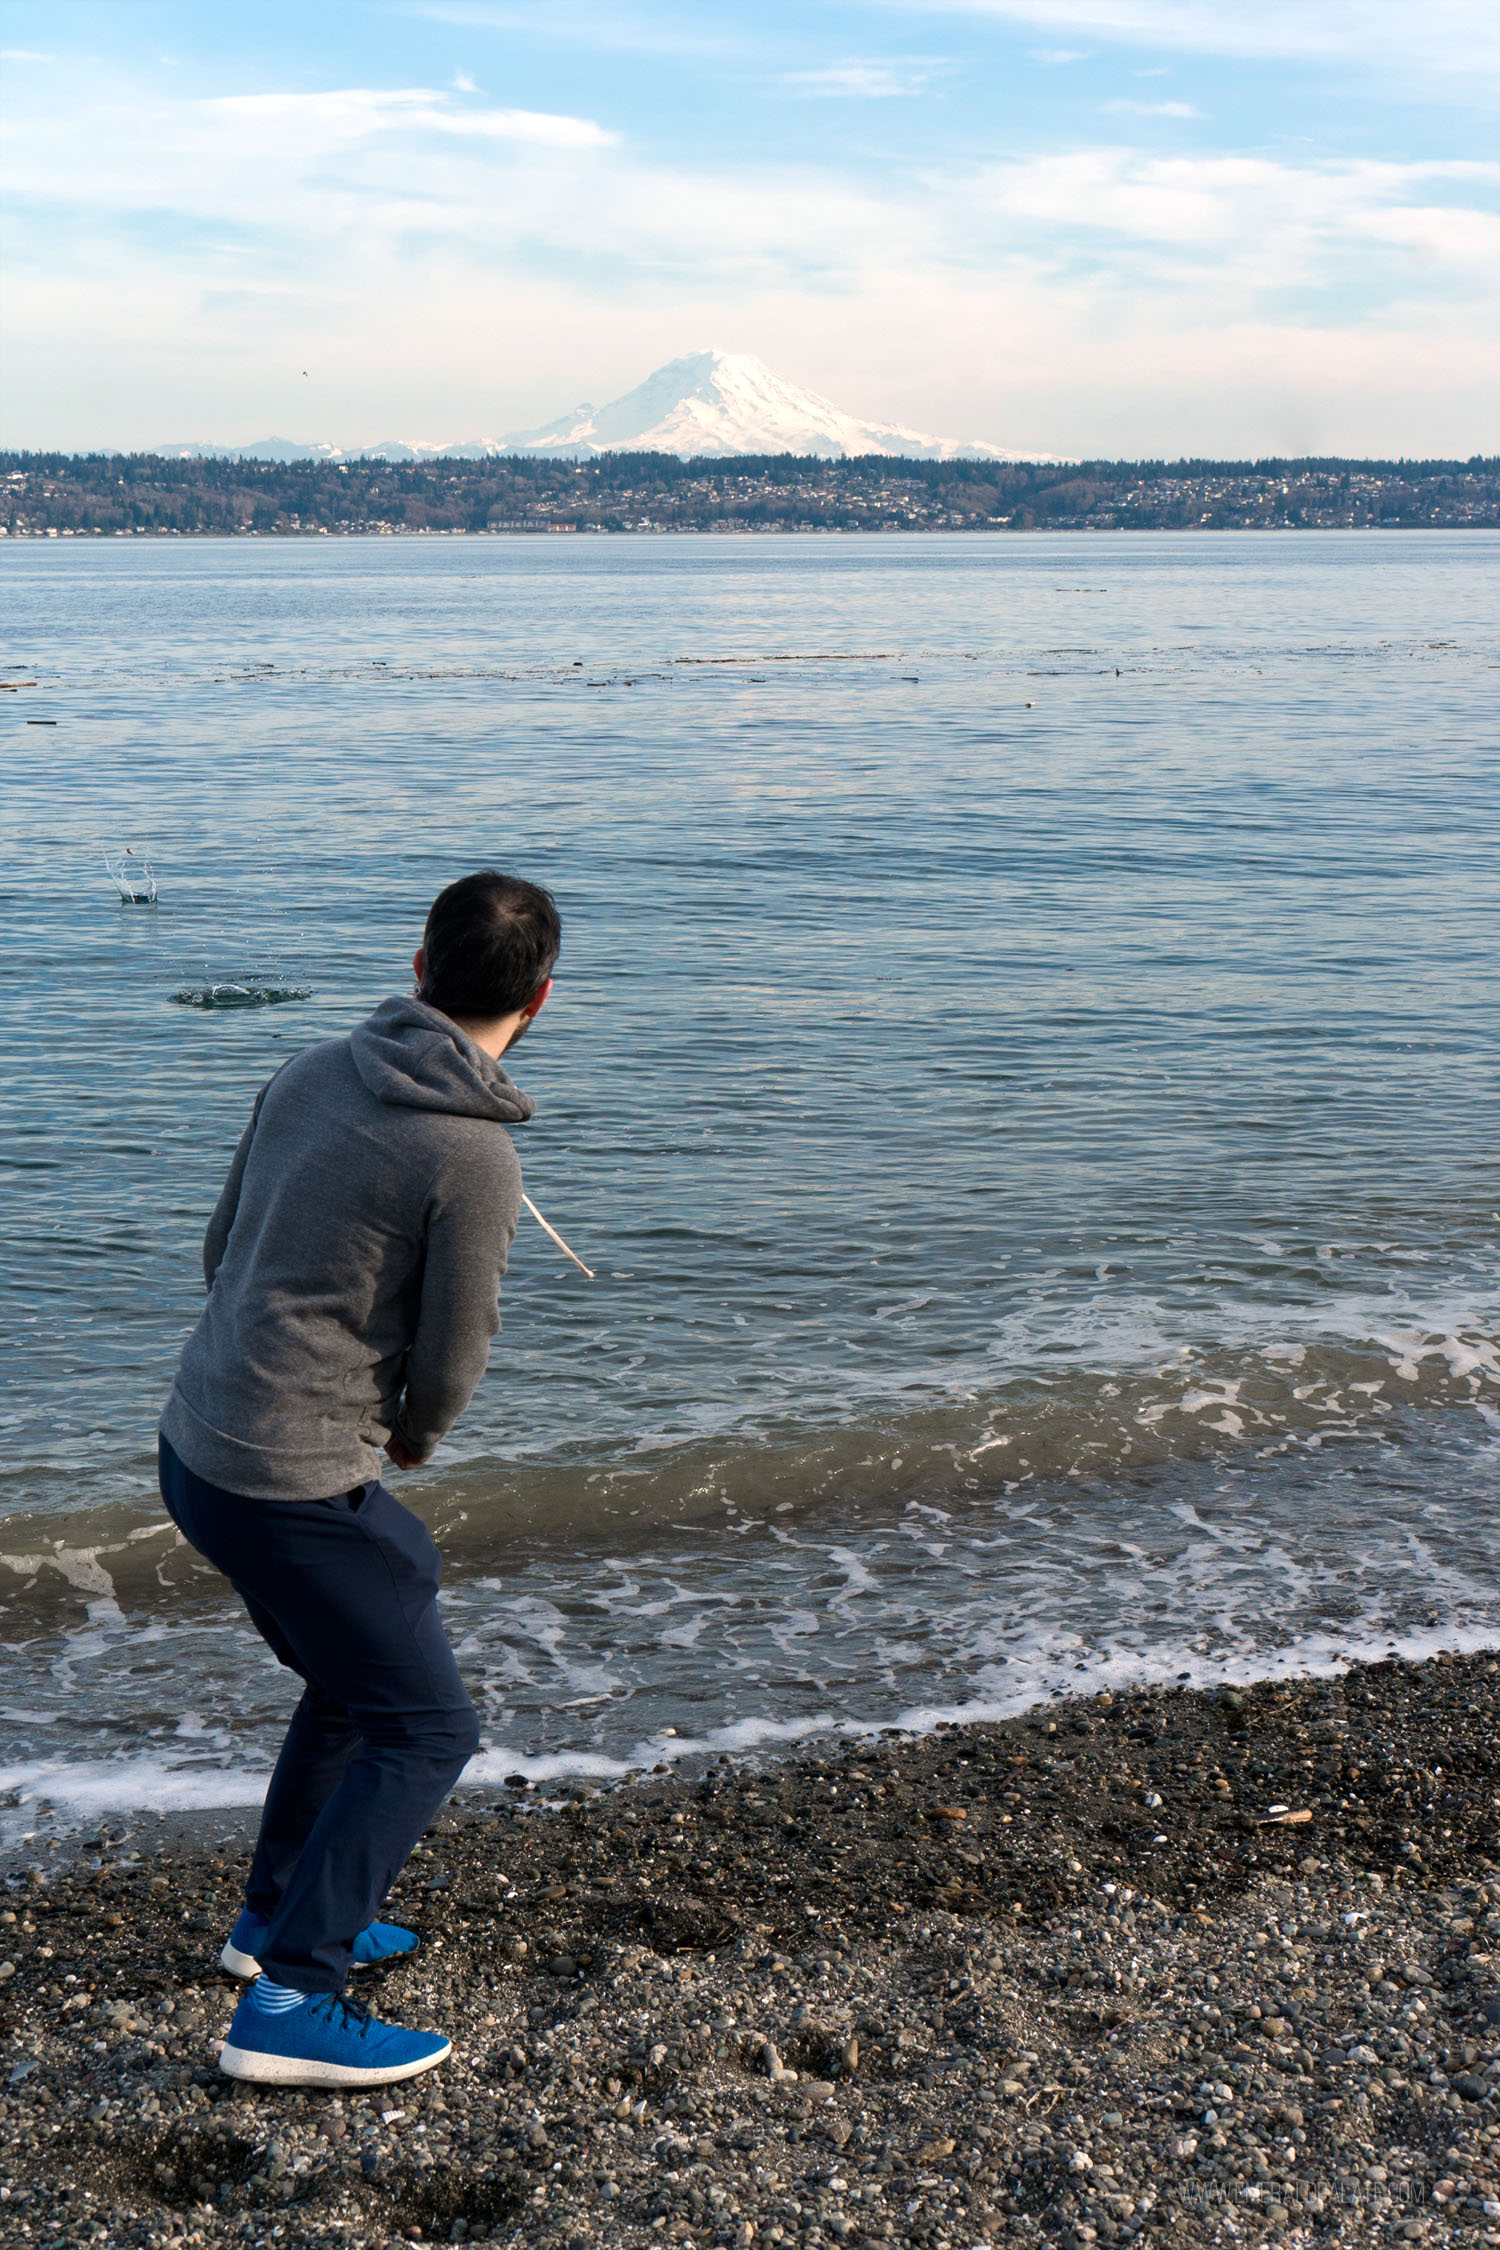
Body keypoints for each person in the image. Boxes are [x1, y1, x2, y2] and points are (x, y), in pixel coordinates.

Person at [158, 869, 560, 2088]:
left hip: (197, 1446)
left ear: (422, 966)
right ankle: (292, 1996)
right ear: (539, 1001)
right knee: (428, 1723)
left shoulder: (310, 1069)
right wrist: (418, 1434)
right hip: (288, 1480)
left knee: (384, 1617)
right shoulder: (472, 1154)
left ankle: (267, 1921)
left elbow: (220, 1248)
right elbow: (453, 1352)